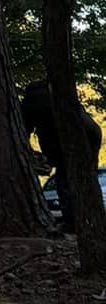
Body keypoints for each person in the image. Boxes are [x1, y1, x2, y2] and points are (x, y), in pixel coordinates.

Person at [22, 77, 103, 231]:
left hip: (72, 138)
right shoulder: (57, 94)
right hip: (90, 131)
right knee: (87, 180)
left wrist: (32, 155)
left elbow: (22, 131)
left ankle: (72, 224)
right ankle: (92, 221)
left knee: (64, 181)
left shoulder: (33, 101)